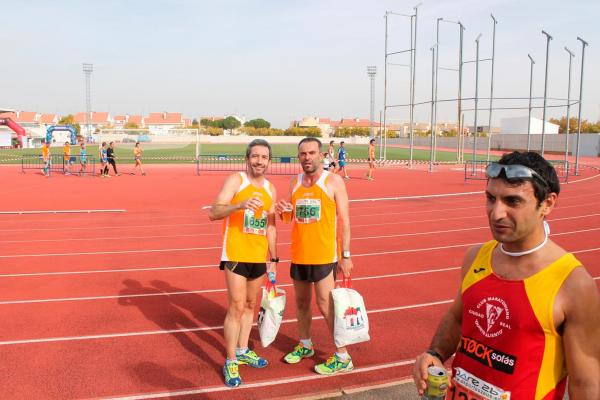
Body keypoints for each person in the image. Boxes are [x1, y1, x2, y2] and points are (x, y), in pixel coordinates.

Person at [413, 151, 600, 399]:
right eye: (491, 198)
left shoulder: (573, 284)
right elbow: (458, 317)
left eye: (513, 201)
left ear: (547, 204)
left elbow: (586, 384)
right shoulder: (475, 257)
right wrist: (435, 353)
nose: (496, 213)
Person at [275, 137, 354, 375]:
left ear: (321, 155)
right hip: (299, 254)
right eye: (303, 154)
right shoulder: (294, 181)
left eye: (311, 153)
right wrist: (283, 212)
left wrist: (346, 255)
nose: (307, 157)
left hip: (324, 255)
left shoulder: (334, 181)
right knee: (301, 304)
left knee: (326, 306)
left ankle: (343, 356)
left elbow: (345, 221)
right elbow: (290, 217)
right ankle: (306, 344)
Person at [208, 139, 278, 388]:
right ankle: (230, 360)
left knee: (250, 305)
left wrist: (274, 258)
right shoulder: (236, 181)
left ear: (269, 161)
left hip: (258, 257)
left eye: (264, 157)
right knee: (236, 307)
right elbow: (213, 212)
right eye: (255, 156)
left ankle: (242, 349)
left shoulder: (271, 188)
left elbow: (271, 225)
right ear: (248, 158)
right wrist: (239, 204)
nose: (260, 161)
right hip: (236, 253)